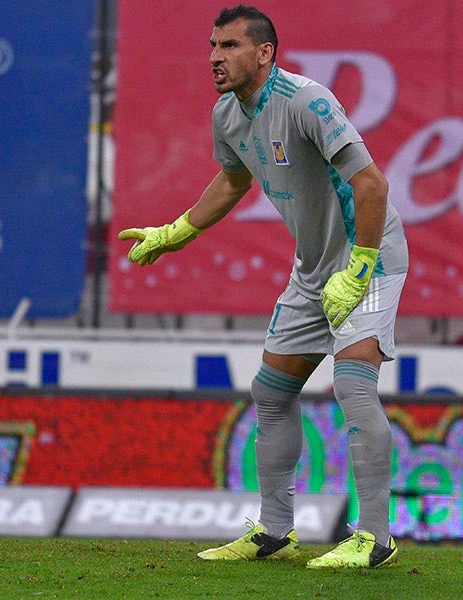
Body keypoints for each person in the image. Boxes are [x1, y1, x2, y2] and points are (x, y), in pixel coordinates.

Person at [117, 4, 408, 569]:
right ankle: (275, 531)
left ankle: (375, 538)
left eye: (228, 46)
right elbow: (232, 181)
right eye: (212, 46)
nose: (214, 58)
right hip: (314, 267)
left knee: (353, 388)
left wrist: (360, 266)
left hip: (369, 257)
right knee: (271, 393)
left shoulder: (307, 100)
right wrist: (176, 231)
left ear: (264, 52)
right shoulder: (227, 114)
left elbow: (372, 185)